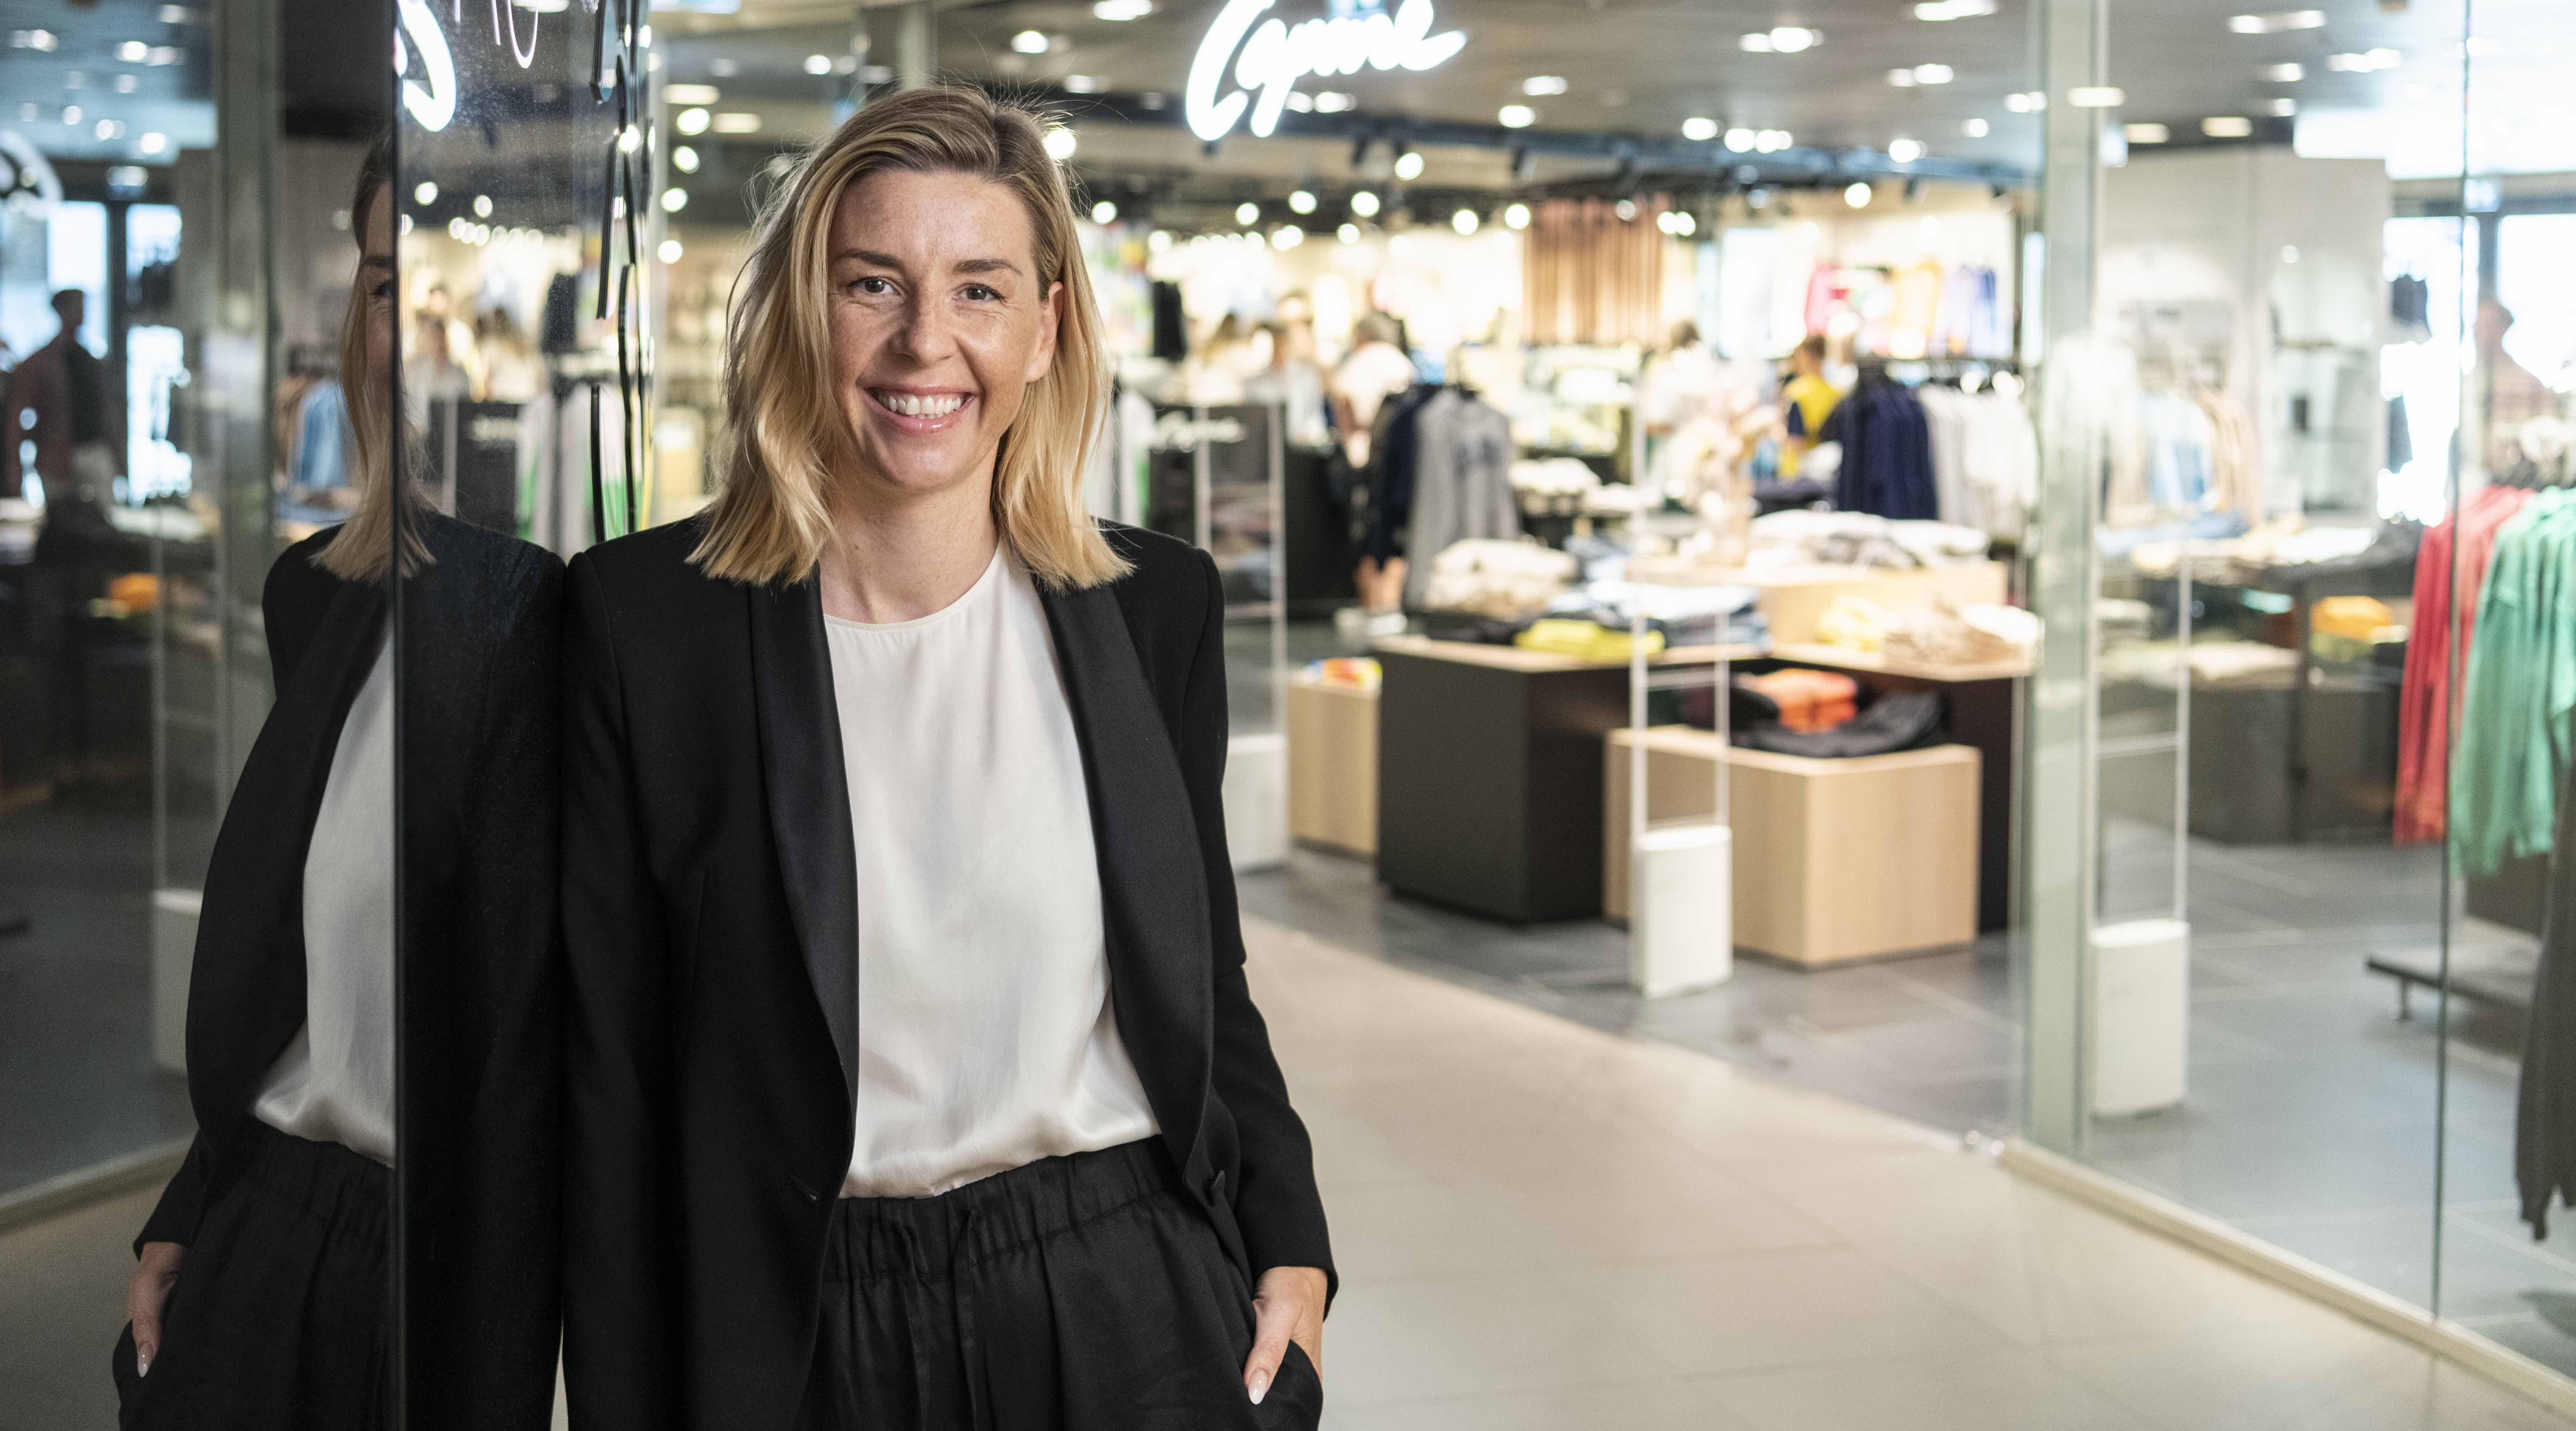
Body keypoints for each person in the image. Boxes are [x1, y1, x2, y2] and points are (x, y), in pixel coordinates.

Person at [559, 87, 1333, 1431]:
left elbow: (1204, 968)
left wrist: (1291, 1238)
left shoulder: (1152, 608)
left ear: (1046, 330)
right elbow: (609, 1076)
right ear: (802, 313)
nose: (928, 340)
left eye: (981, 290)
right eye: (874, 283)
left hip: (1119, 1281)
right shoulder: (645, 627)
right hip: (806, 1317)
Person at [117, 137, 564, 1431]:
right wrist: (196, 1200)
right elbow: (297, 974)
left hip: (468, 1276)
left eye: (428, 283)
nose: (401, 324)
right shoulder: (319, 596)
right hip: (281, 1229)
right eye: (381, 282)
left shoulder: (586, 630)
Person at [0, 290, 117, 517]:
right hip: (55, 455)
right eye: (77, 307)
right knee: (60, 520)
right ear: (62, 311)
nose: (82, 313)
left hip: (92, 448)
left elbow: (105, 412)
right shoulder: (40, 362)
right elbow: (17, 417)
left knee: (106, 519)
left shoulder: (89, 360)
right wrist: (15, 467)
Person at [1779, 333, 1842, 480]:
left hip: (1797, 471)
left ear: (1809, 358)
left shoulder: (1797, 392)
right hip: (1826, 471)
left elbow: (1795, 439)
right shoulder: (1837, 394)